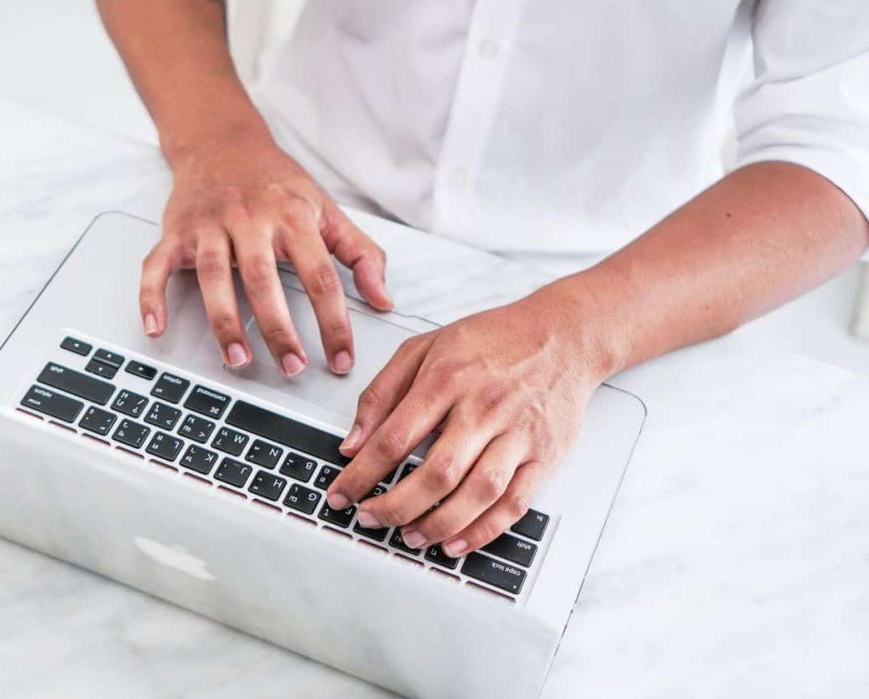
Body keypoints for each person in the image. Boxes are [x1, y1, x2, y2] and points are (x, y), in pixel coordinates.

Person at [97, 0, 869, 557]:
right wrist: (217, 139)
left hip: (629, 295)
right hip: (278, 194)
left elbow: (839, 142)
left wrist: (579, 334)